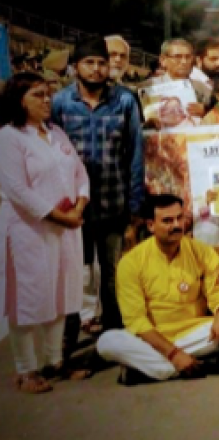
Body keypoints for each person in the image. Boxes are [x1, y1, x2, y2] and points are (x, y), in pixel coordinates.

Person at [51, 38, 145, 348]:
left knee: (112, 273)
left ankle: (113, 335)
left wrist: (134, 204)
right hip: (72, 208)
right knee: (73, 273)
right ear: (76, 66)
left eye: (101, 62)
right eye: (89, 62)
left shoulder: (126, 101)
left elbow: (135, 154)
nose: (96, 68)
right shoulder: (61, 103)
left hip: (113, 202)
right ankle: (68, 337)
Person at [0, 73, 91, 393]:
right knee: (27, 297)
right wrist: (57, 216)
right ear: (19, 100)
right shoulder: (10, 137)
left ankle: (55, 360)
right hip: (29, 229)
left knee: (61, 293)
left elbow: (80, 173)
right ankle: (26, 369)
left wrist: (78, 207)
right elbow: (15, 189)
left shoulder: (56, 134)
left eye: (48, 94)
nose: (46, 100)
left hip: (66, 227)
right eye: (37, 95)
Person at [96, 195, 219, 384]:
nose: (176, 225)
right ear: (151, 225)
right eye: (167, 221)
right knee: (107, 342)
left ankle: (144, 371)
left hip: (193, 332)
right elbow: (135, 320)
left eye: (179, 218)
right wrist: (174, 354)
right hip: (151, 338)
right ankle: (205, 365)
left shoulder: (200, 252)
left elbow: (216, 289)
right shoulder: (130, 262)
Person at [141, 38, 210, 115]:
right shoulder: (148, 87)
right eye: (177, 57)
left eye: (188, 57)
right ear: (163, 60)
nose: (184, 62)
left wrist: (206, 111)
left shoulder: (202, 88)